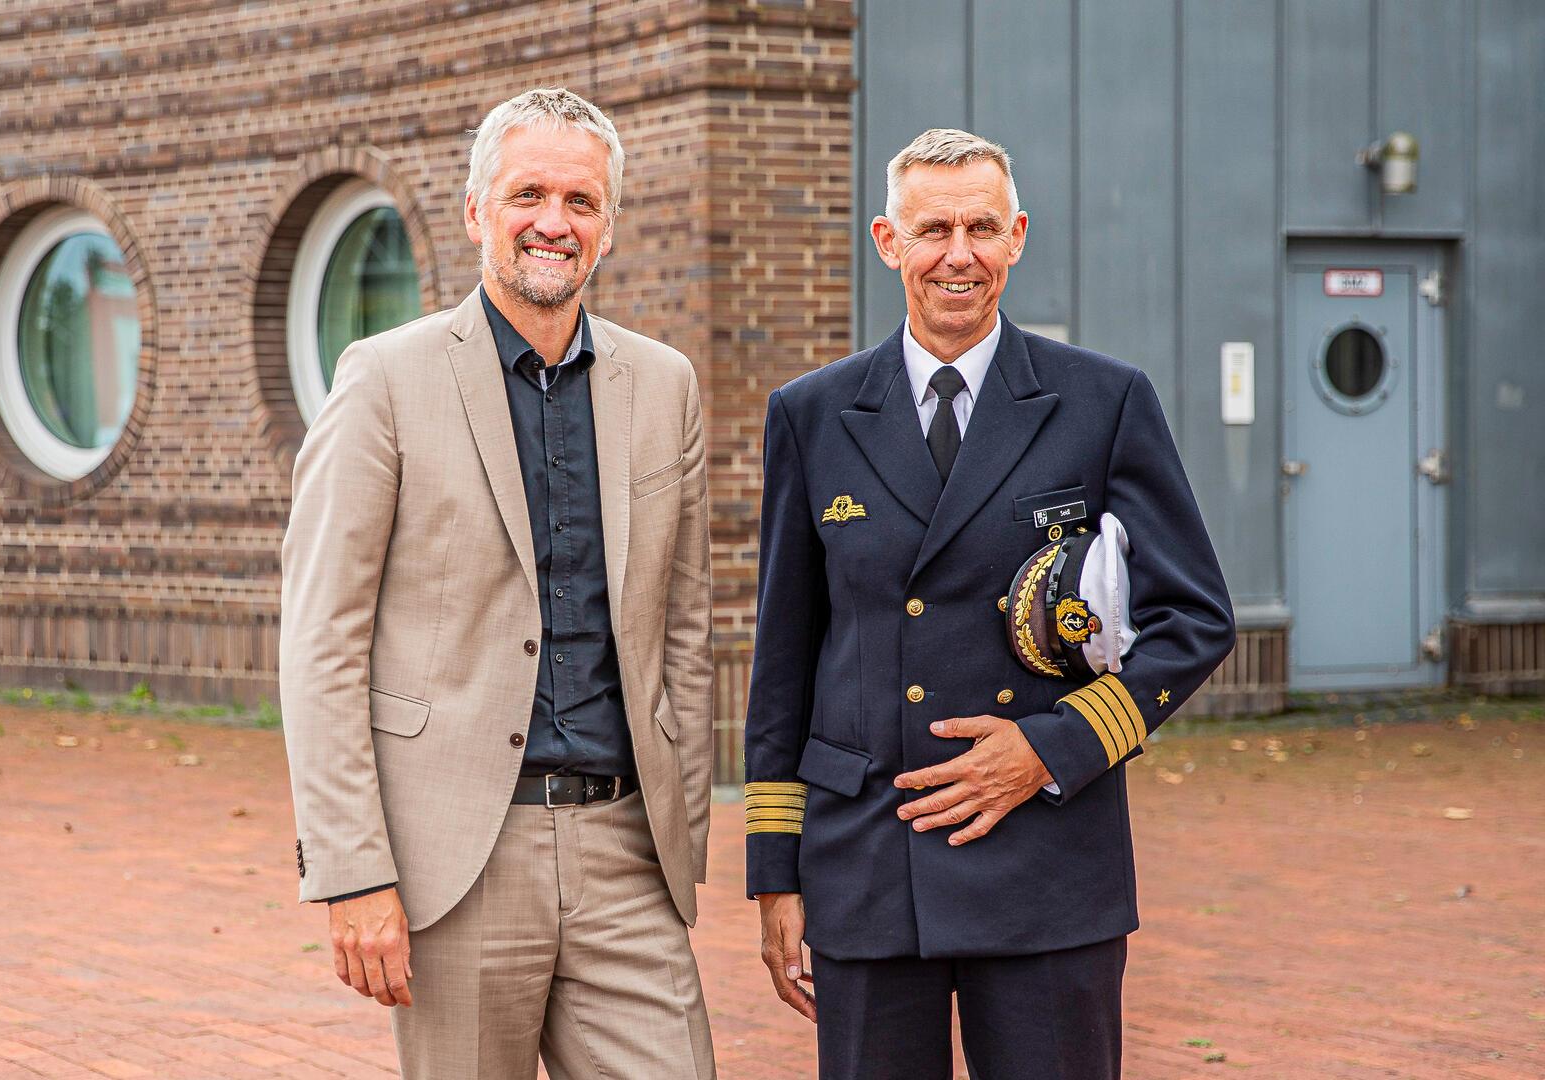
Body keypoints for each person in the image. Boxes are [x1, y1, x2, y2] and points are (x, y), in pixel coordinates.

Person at [744, 127, 1235, 1080]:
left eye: (980, 227)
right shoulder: (812, 414)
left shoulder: (1102, 401)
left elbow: (1197, 618)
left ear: (1017, 236)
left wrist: (1049, 750)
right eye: (933, 229)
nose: (957, 254)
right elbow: (783, 655)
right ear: (888, 242)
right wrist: (777, 871)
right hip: (868, 858)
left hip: (1048, 854)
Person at [279, 87, 717, 1079]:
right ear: (478, 210)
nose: (552, 223)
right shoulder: (384, 379)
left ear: (607, 225)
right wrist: (354, 873)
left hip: (627, 858)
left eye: (580, 200)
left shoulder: (666, 385)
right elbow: (322, 644)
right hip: (461, 861)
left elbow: (681, 633)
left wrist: (679, 823)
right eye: (528, 194)